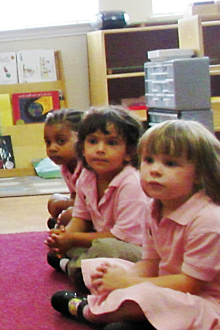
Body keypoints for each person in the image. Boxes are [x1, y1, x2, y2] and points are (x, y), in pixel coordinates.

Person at [52, 120, 220, 330]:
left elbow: (190, 284)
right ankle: (120, 312)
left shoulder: (209, 221)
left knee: (141, 298)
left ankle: (89, 311)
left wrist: (126, 284)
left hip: (208, 305)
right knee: (103, 268)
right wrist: (124, 278)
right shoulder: (155, 208)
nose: (154, 170)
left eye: (170, 163)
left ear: (201, 174)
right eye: (148, 160)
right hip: (168, 286)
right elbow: (151, 263)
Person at [46, 106, 148, 290]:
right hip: (104, 240)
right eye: (92, 141)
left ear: (130, 152)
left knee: (104, 249)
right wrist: (65, 236)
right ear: (82, 147)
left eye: (112, 143)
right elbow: (81, 218)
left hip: (136, 249)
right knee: (79, 244)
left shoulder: (131, 183)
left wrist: (73, 239)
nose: (100, 149)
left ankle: (73, 268)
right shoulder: (87, 176)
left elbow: (121, 238)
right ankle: (78, 266)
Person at [44, 108, 85, 229]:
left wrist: (70, 208)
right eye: (48, 142)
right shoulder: (66, 167)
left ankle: (63, 225)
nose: (52, 148)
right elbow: (74, 194)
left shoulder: (88, 167)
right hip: (81, 206)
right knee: (54, 202)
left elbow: (94, 204)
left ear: (82, 141)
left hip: (95, 211)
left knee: (68, 214)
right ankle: (61, 224)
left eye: (61, 141)